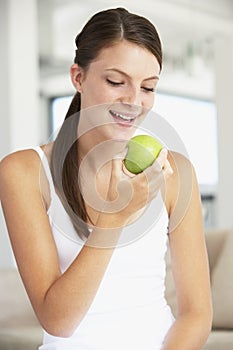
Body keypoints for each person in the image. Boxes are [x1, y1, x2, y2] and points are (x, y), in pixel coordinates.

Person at [0, 7, 212, 350]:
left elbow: (196, 314)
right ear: (78, 77)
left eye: (148, 87)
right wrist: (114, 219)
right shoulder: (24, 172)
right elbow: (58, 320)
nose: (133, 101)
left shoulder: (175, 172)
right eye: (116, 82)